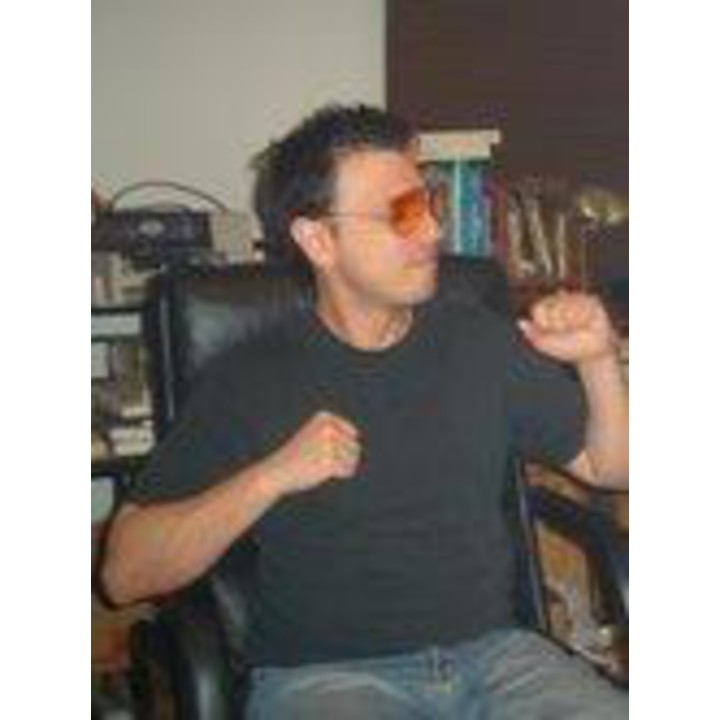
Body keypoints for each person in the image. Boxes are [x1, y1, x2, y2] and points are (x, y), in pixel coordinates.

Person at [102, 104, 629, 719]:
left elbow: (612, 468)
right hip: (328, 680)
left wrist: (598, 361)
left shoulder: (478, 341)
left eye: (427, 204)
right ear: (318, 240)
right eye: (402, 213)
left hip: (499, 661)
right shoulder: (249, 381)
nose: (431, 231)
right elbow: (124, 574)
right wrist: (271, 476)